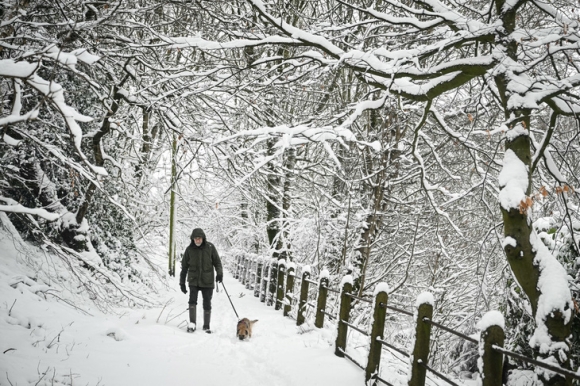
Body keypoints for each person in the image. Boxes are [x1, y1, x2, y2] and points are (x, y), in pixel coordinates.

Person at [179, 228, 223, 333]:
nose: (197, 241)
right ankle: (192, 323)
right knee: (192, 301)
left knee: (207, 302)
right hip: (193, 280)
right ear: (192, 239)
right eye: (195, 239)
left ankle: (206, 325)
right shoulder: (189, 250)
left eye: (199, 238)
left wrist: (219, 274)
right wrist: (182, 282)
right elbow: (184, 267)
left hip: (207, 280)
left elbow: (217, 262)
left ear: (203, 238)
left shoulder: (210, 248)